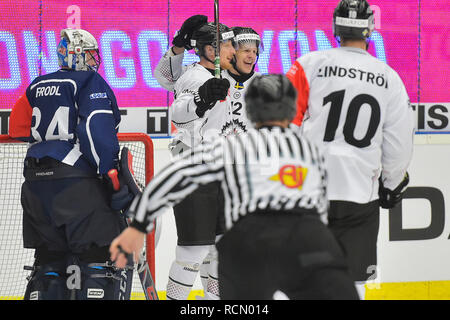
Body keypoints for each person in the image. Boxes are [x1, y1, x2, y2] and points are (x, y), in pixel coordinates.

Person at [109, 74, 359, 300]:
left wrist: (138, 225)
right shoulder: (312, 148)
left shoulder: (235, 145)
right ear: (292, 107)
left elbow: (177, 176)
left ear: (250, 110)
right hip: (309, 237)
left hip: (250, 241)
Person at [286, 0, 415, 299]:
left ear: (336, 27)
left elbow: (282, 125)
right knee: (354, 279)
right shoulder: (389, 78)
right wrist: (392, 185)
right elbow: (399, 142)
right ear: (370, 29)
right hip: (361, 191)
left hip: (308, 188)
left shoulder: (309, 64)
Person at [9, 28, 134, 300]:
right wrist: (112, 178)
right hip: (77, 188)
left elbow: (16, 127)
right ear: (77, 53)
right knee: (97, 258)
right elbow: (96, 131)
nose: (93, 60)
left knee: (50, 262)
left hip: (35, 188)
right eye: (89, 54)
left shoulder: (36, 84)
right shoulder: (89, 81)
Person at [154, 17, 262, 297]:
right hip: (196, 171)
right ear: (212, 50)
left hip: (225, 173)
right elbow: (174, 101)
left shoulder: (231, 77)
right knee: (193, 253)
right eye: (230, 46)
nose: (237, 51)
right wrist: (180, 47)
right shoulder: (197, 76)